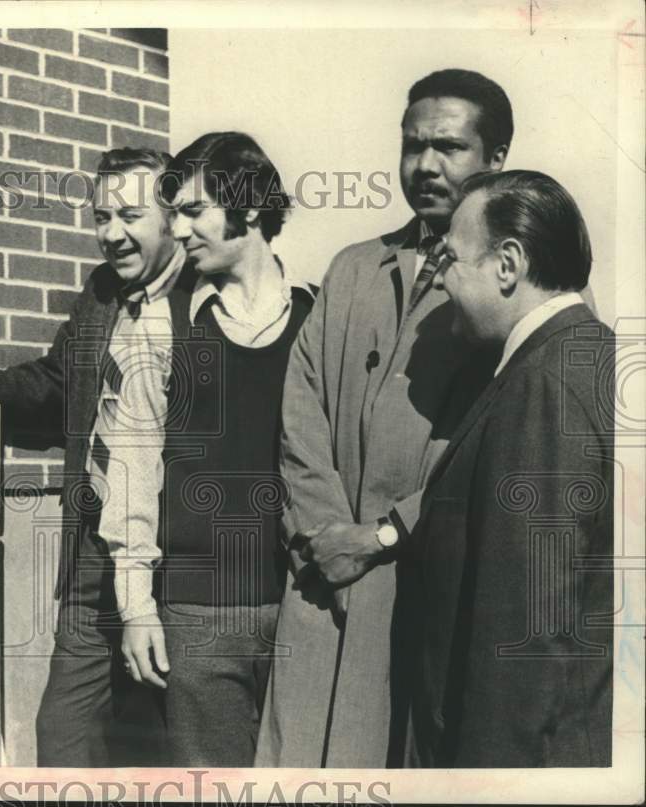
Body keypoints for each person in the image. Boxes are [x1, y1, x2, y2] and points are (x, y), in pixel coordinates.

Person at [0, 146, 186, 767]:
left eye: (130, 216)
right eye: (101, 217)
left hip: (184, 554)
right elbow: (57, 389)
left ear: (172, 216)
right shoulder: (101, 294)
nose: (111, 234)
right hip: (94, 549)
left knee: (172, 740)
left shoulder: (206, 294)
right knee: (64, 736)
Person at [256, 68, 513, 767]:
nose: (425, 165)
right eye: (412, 145)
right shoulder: (351, 270)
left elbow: (501, 442)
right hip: (322, 583)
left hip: (425, 587)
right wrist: (328, 538)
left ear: (495, 158)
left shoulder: (515, 282)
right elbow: (302, 412)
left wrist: (379, 538)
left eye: (449, 147)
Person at [398, 170, 614, 766]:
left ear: (508, 264)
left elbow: (525, 636)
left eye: (451, 259)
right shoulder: (593, 358)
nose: (439, 279)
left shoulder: (542, 386)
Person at [154, 131, 316, 766]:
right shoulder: (165, 317)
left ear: (247, 206)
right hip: (199, 608)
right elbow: (134, 463)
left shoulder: (319, 317)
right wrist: (137, 605)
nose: (179, 230)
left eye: (194, 211)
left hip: (303, 602)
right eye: (174, 215)